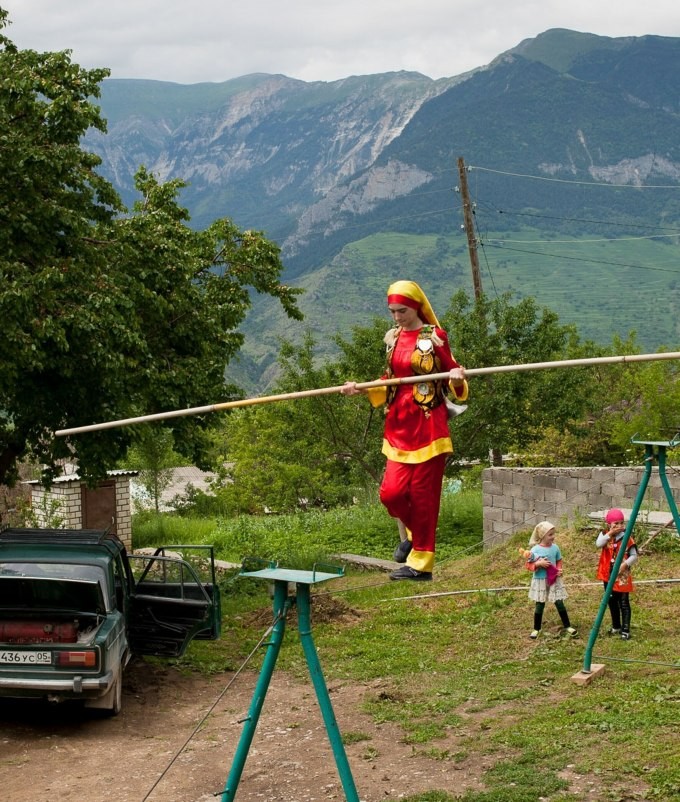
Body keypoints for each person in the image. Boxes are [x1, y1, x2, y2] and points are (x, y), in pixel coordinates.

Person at [340, 280, 468, 581]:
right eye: (392, 312)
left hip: (428, 424)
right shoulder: (394, 337)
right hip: (398, 425)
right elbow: (390, 377)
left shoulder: (434, 336)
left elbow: (453, 373)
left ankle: (422, 562)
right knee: (391, 494)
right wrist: (360, 388)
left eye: (402, 311)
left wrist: (457, 376)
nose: (396, 317)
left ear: (416, 307)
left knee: (424, 497)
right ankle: (414, 532)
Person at [525, 521, 577, 639]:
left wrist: (559, 569)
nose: (553, 537)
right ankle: (536, 628)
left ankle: (567, 626)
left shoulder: (555, 548)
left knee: (559, 602)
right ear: (542, 536)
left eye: (554, 534)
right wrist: (539, 563)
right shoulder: (535, 549)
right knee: (540, 604)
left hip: (554, 579)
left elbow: (559, 560)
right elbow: (528, 565)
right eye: (550, 535)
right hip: (540, 580)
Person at [596, 508, 638, 640]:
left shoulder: (627, 538)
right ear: (609, 524)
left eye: (621, 523)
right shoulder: (605, 535)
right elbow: (598, 544)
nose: (619, 526)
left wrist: (625, 564)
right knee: (611, 600)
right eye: (616, 523)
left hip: (622, 576)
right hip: (607, 575)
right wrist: (610, 533)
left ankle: (625, 630)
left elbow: (634, 556)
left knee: (624, 602)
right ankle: (616, 626)